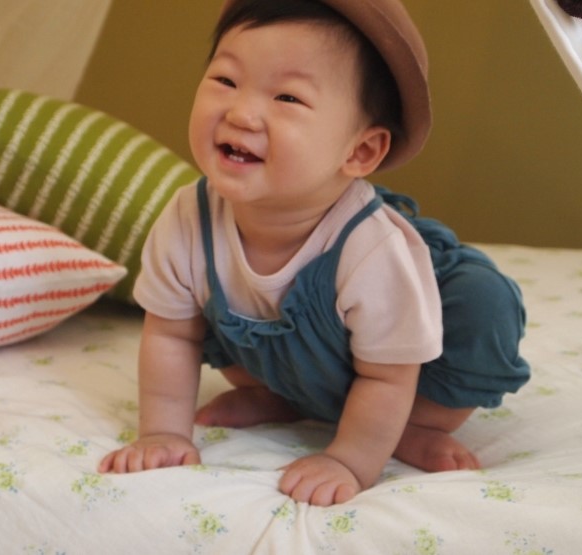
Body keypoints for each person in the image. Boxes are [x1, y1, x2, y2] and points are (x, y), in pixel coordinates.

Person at [99, 0, 530, 507]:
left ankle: (412, 427)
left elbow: (389, 374)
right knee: (202, 310)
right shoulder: (188, 218)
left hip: (404, 376)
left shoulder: (371, 248)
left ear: (360, 151)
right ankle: (280, 396)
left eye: (287, 97)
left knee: (482, 305)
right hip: (293, 363)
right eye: (226, 80)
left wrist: (349, 460)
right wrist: (163, 433)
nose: (240, 113)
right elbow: (171, 334)